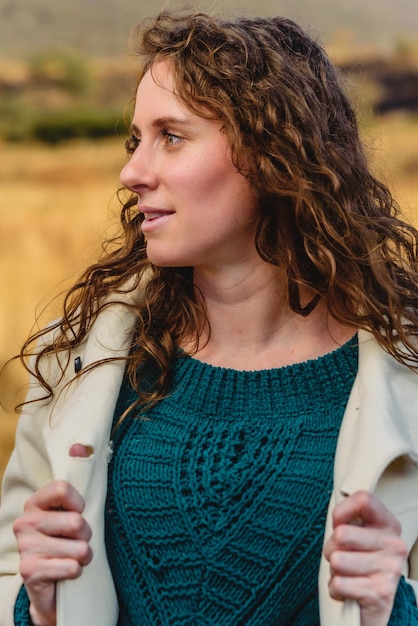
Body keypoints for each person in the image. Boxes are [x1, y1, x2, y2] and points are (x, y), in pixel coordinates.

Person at [1, 9, 418, 626]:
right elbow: (15, 577)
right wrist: (37, 606)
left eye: (171, 136)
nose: (132, 172)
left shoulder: (405, 378)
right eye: (135, 140)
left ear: (273, 154)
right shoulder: (83, 366)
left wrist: (395, 607)